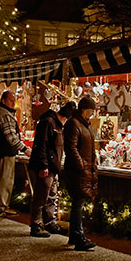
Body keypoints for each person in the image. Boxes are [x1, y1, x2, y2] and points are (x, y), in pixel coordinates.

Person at [28, 101, 76, 237]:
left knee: (51, 196)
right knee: (41, 196)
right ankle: (36, 224)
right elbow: (41, 145)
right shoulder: (48, 123)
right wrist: (43, 165)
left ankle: (49, 222)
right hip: (45, 167)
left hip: (53, 167)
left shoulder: (58, 125)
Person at [63, 96, 99, 251]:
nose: (92, 114)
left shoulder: (84, 124)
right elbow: (71, 148)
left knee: (79, 202)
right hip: (78, 171)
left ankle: (74, 235)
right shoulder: (73, 124)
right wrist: (82, 165)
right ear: (84, 109)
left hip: (84, 169)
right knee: (78, 202)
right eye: (91, 111)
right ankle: (78, 237)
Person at [0, 90, 25, 217]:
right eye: (11, 100)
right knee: (5, 181)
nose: (13, 103)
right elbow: (11, 138)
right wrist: (25, 149)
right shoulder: (4, 115)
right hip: (4, 153)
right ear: (3, 101)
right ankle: (2, 207)